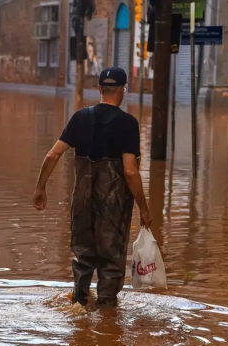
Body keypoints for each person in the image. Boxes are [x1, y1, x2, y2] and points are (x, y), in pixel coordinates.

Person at [32, 67, 152, 307]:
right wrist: (144, 208)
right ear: (122, 91)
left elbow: (53, 154)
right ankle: (107, 319)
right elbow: (130, 171)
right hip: (113, 207)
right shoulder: (127, 123)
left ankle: (79, 305)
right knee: (111, 261)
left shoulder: (80, 117)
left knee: (83, 257)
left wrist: (40, 187)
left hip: (82, 203)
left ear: (99, 89)